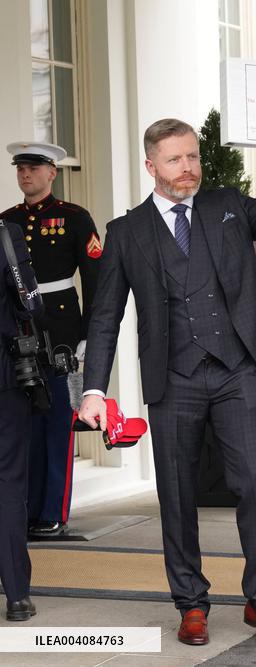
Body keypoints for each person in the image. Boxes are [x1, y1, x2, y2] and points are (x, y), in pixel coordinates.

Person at [78, 115, 256, 645]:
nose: (187, 168)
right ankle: (191, 603)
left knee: (255, 482)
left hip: (234, 369)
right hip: (174, 377)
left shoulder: (228, 205)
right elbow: (104, 317)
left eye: (192, 157)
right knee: (178, 493)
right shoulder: (125, 233)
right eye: (174, 159)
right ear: (151, 166)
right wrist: (93, 389)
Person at [2, 141, 102, 537]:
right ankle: (21, 508)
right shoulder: (6, 220)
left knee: (58, 420)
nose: (26, 175)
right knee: (19, 423)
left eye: (33, 168)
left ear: (52, 173)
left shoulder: (74, 218)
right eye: (20, 169)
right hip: (16, 330)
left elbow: (95, 280)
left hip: (60, 330)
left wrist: (89, 336)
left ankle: (52, 511)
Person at [0, 219, 44, 620]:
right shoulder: (6, 234)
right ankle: (15, 595)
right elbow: (29, 301)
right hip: (3, 382)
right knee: (9, 486)